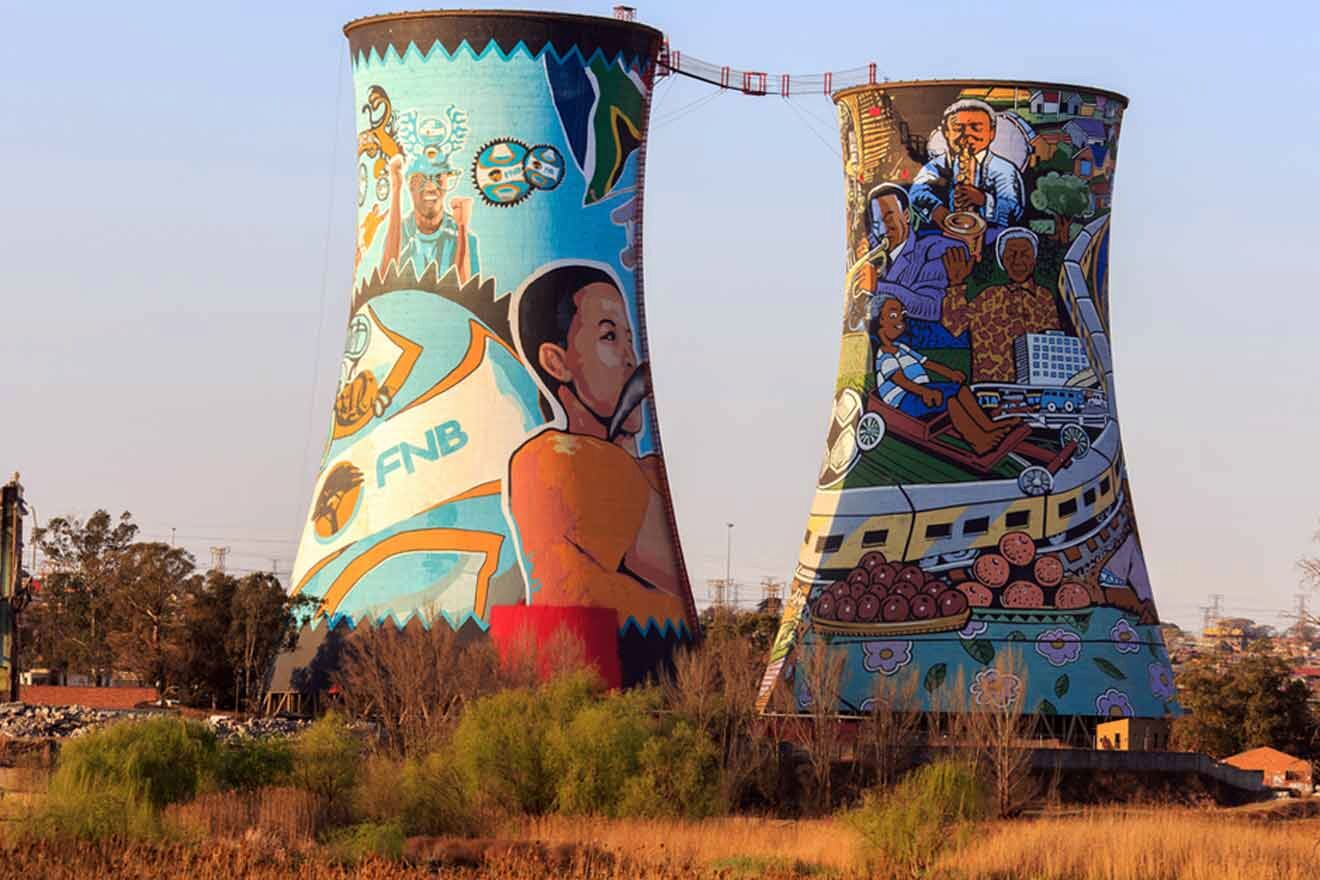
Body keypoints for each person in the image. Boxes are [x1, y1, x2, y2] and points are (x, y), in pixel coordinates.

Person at [507, 264, 688, 628]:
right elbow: (670, 570)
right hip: (580, 660)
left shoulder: (637, 470)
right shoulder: (559, 460)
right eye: (609, 338)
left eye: (629, 338)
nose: (630, 358)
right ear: (557, 363)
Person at [872, 297, 1008, 454]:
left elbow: (927, 362)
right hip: (904, 399)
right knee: (950, 401)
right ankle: (979, 441)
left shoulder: (901, 347)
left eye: (902, 314)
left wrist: (950, 373)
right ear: (880, 321)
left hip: (922, 388)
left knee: (960, 389)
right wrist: (924, 392)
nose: (901, 319)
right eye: (894, 315)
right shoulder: (884, 354)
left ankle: (987, 426)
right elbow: (900, 380)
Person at [942, 228, 1061, 383]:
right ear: (1002, 260)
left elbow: (1055, 343)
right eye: (1011, 254)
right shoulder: (989, 296)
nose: (1017, 260)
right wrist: (955, 285)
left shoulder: (1044, 298)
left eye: (1025, 254)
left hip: (1038, 385)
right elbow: (955, 326)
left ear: (1034, 259)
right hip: (993, 386)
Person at [910, 98, 1024, 229]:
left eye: (976, 128)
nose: (967, 134)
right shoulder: (938, 164)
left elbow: (1013, 210)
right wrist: (939, 212)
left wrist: (982, 200)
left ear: (992, 133)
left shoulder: (1004, 170)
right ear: (946, 133)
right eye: (958, 128)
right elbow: (916, 191)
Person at [866, 184, 973, 321]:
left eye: (888, 219)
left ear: (907, 216)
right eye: (876, 224)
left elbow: (932, 307)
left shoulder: (934, 249)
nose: (882, 230)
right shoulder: (875, 249)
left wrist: (876, 286)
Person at [380, 151, 479, 284]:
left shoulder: (465, 237)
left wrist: (462, 228)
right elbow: (384, 284)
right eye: (421, 179)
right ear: (409, 185)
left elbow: (467, 295)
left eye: (438, 178)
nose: (430, 187)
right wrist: (396, 189)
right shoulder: (400, 234)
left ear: (447, 183)